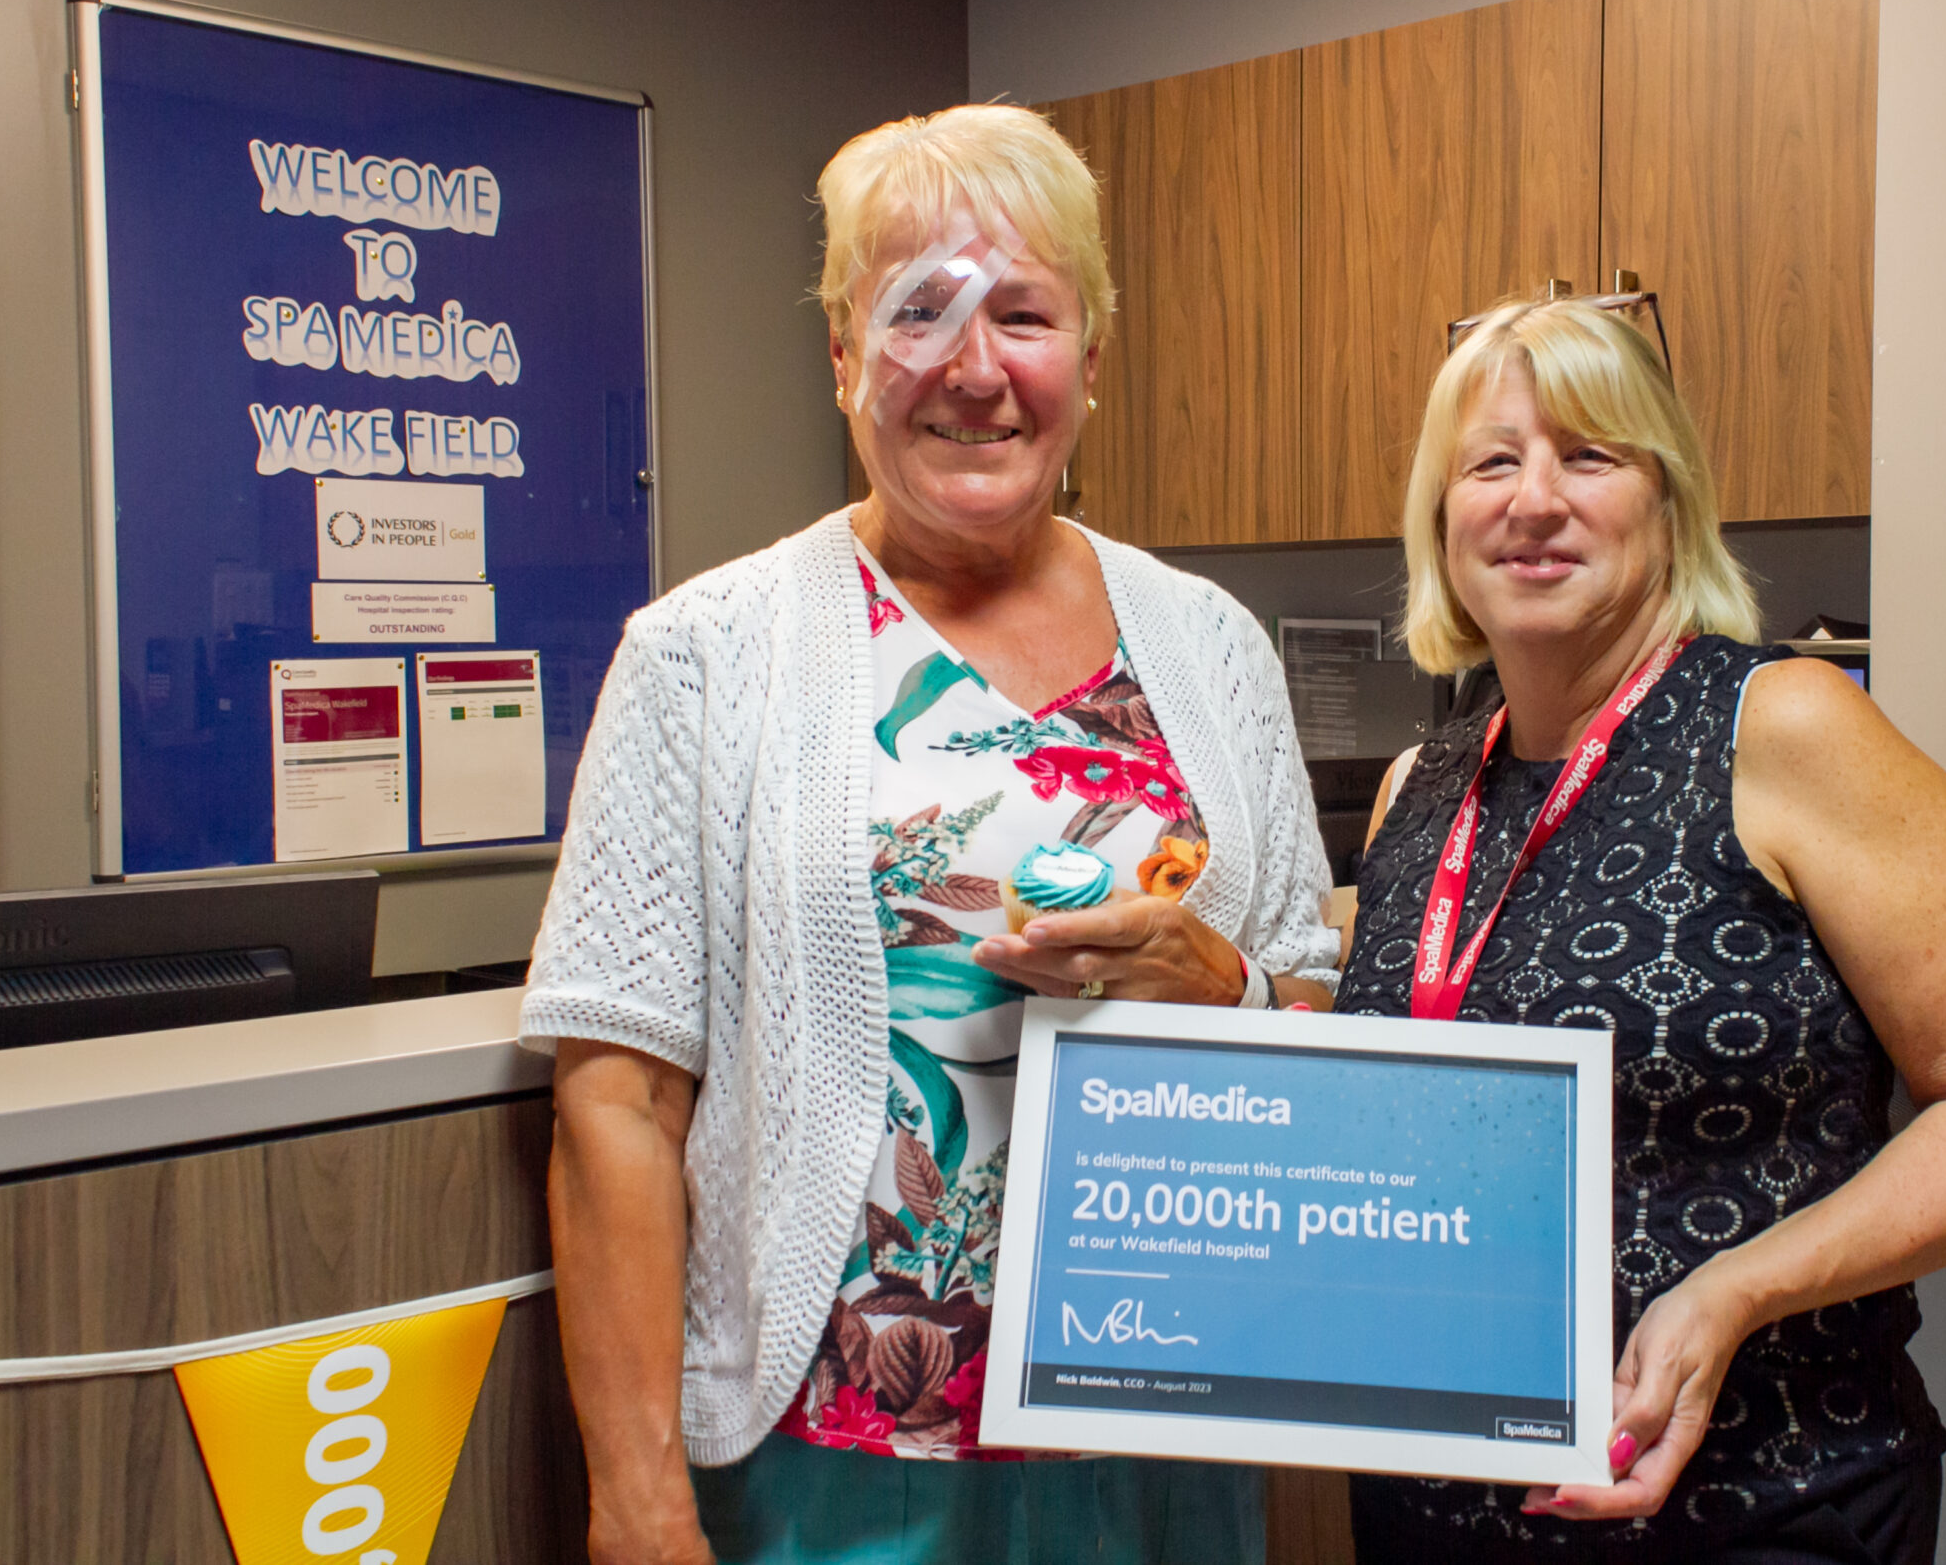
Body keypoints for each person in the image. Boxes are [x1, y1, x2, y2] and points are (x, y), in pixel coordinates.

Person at [521, 103, 1340, 1565]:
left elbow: (1314, 1018)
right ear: (845, 354)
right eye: (919, 311)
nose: (975, 369)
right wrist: (635, 1489)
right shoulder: (706, 650)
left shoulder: (1211, 647)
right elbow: (616, 1102)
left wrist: (1223, 983)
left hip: (1162, 1430)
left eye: (1021, 311)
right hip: (832, 1451)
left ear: (1092, 351)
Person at [1335, 299, 1946, 1565]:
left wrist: (1732, 1292)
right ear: (1439, 518)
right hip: (1435, 1509)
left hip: (1759, 1502)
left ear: (1667, 503)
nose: (1533, 499)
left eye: (1588, 457)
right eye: (1491, 462)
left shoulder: (1784, 729)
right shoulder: (1423, 784)